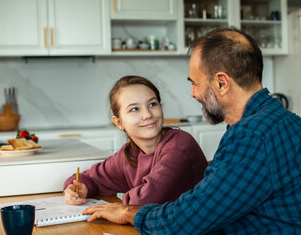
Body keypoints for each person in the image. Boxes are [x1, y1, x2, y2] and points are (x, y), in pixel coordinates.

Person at [82, 29, 301, 235]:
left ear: (222, 83)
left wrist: (127, 212)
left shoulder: (255, 135)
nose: (193, 93)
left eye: (195, 82)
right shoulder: (275, 122)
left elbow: (184, 219)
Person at [63, 75, 207, 206]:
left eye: (152, 104)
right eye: (134, 109)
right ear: (119, 122)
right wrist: (78, 188)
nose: (147, 115)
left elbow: (146, 200)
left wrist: (118, 204)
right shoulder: (130, 154)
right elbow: (90, 178)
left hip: (195, 234)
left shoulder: (180, 145)